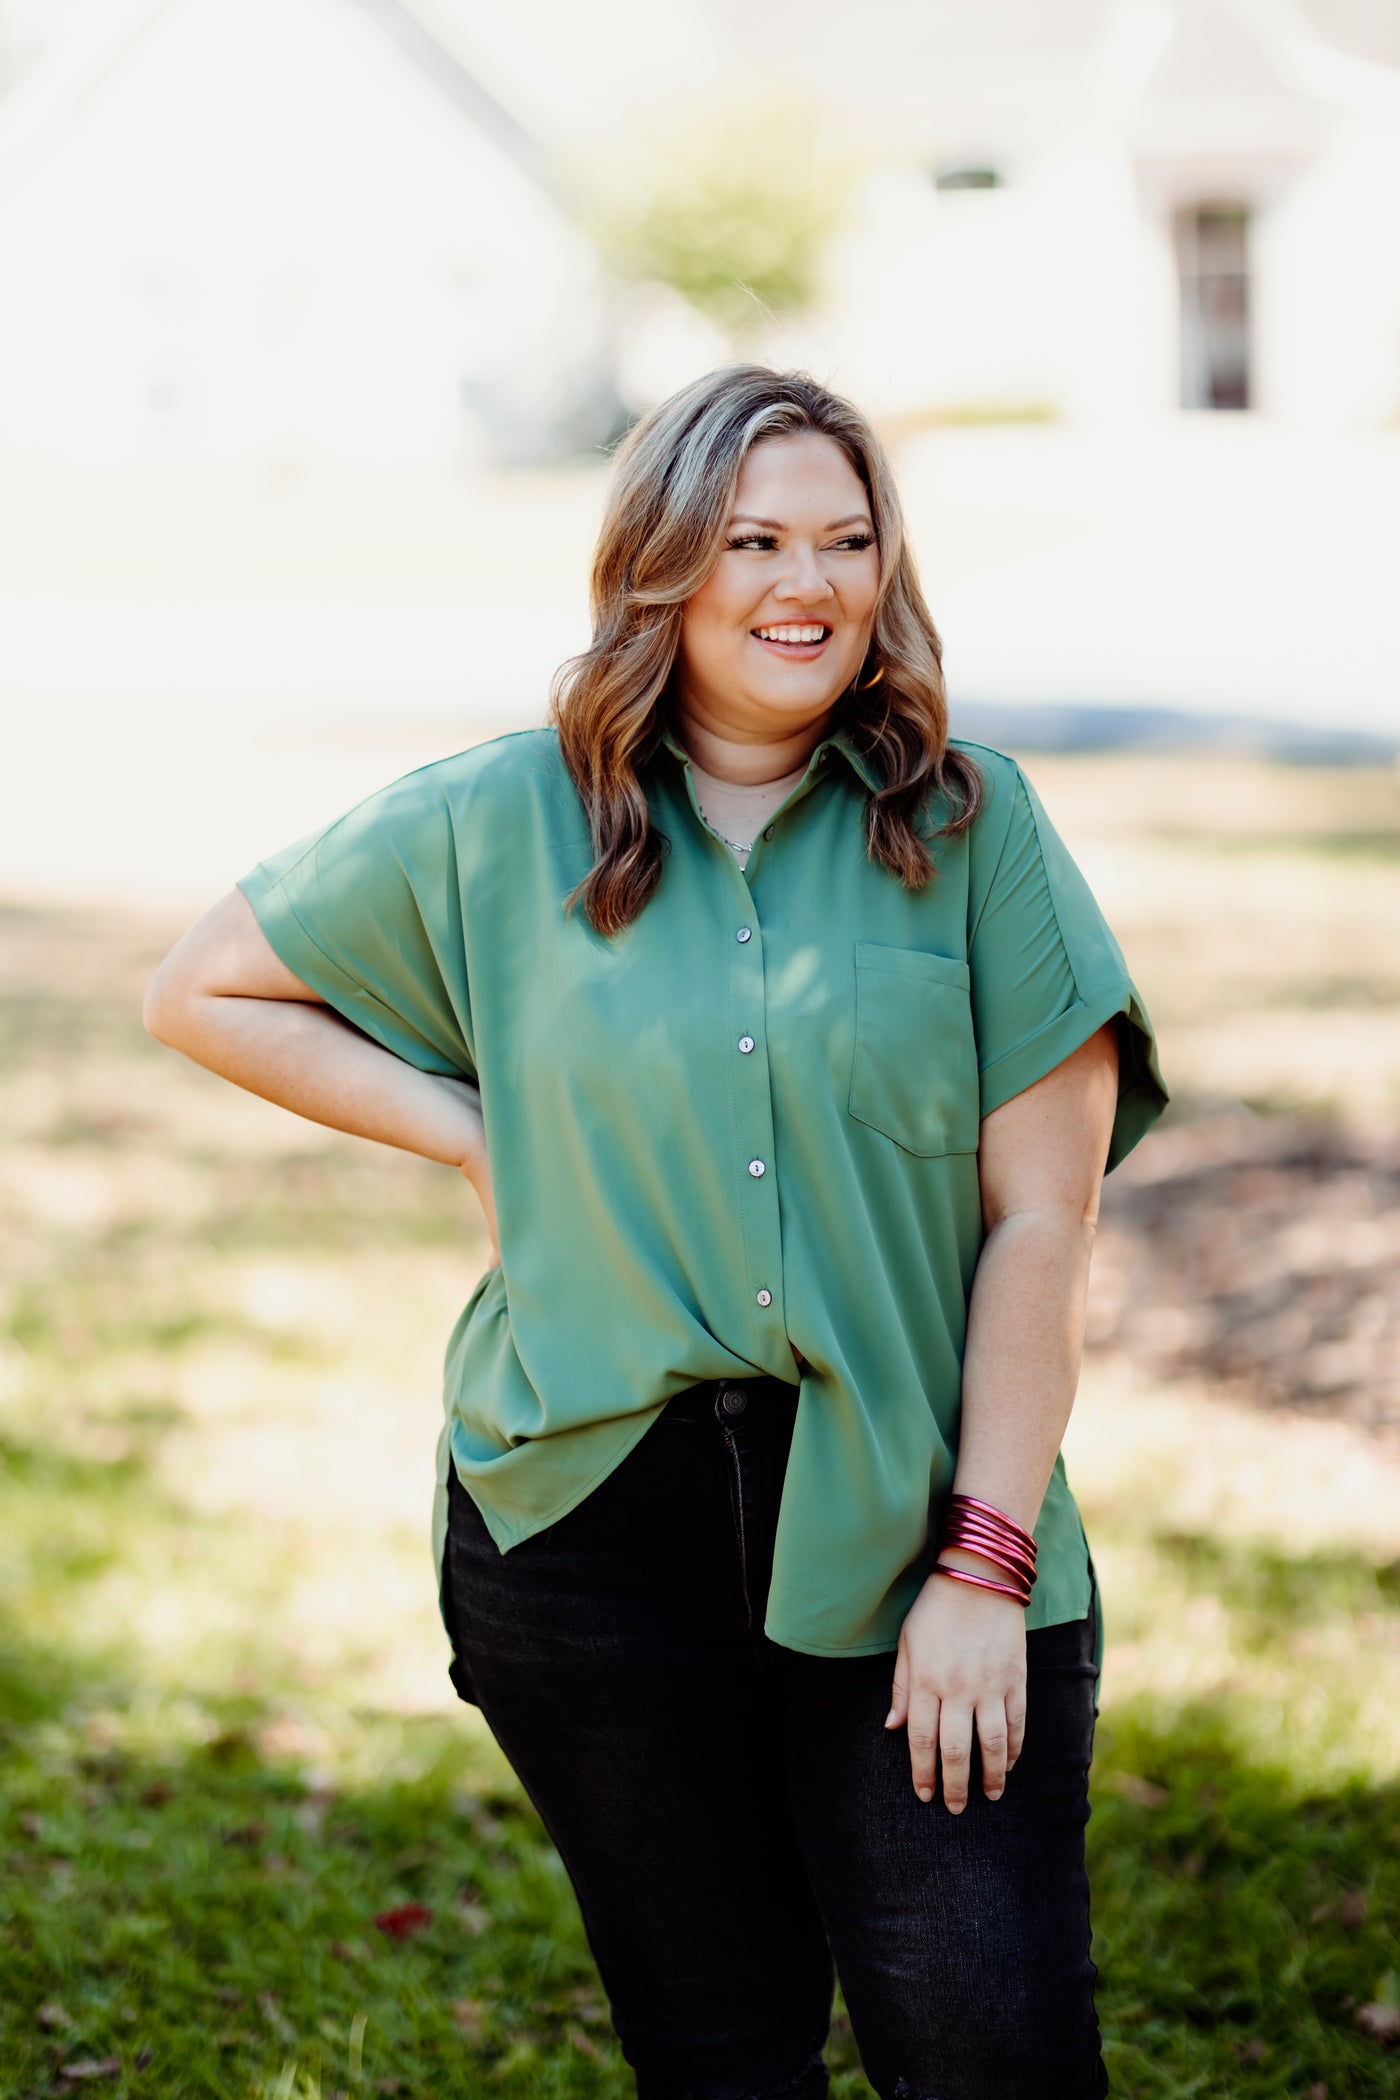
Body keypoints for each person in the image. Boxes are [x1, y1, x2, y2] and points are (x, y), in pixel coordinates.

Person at [144, 365, 1168, 2100]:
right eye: (755, 537)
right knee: (716, 2052)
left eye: (848, 540)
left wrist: (985, 1563)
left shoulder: (970, 826)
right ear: (663, 567)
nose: (809, 582)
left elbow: (1040, 1227)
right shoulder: (496, 817)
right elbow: (204, 989)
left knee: (988, 2047)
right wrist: (475, 1135)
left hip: (921, 1517)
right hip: (590, 1534)